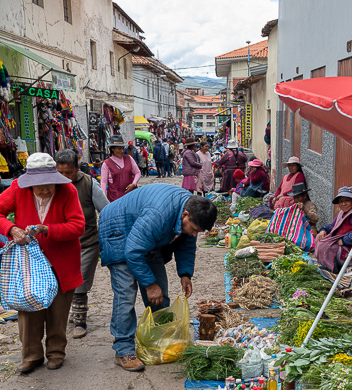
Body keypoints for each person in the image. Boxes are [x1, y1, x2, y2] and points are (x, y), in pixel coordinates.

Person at [98, 187, 217, 371]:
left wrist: (185, 274)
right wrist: (149, 284)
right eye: (194, 229)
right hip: (118, 230)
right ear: (185, 214)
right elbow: (133, 251)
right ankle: (123, 350)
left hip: (144, 237)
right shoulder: (159, 215)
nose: (194, 234)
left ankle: (160, 339)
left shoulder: (191, 213)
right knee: (126, 294)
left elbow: (186, 244)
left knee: (160, 293)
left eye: (198, 232)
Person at [0, 152, 85, 373]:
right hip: (28, 263)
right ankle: (31, 355)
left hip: (62, 261)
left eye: (49, 184)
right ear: (29, 183)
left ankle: (56, 353)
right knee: (28, 309)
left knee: (58, 309)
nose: (45, 190)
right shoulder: (18, 188)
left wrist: (48, 229)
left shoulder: (68, 191)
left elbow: (78, 226)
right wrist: (12, 229)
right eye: (39, 186)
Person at [55, 149, 109, 339]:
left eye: (68, 173)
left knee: (81, 282)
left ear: (77, 169)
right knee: (62, 282)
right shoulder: (51, 185)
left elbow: (106, 210)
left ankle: (80, 321)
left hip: (86, 243)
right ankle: (68, 314)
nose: (64, 177)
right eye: (60, 172)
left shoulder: (89, 183)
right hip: (61, 243)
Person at [315, 186, 352, 273]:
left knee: (327, 248)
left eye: (347, 200)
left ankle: (334, 271)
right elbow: (332, 226)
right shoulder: (343, 212)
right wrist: (323, 230)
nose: (344, 204)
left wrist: (344, 240)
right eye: (341, 201)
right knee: (319, 239)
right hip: (347, 250)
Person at [101, 135, 140, 201]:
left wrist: (134, 184)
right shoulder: (106, 164)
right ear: (113, 149)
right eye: (119, 148)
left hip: (131, 196)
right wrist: (103, 199)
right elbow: (103, 182)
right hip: (115, 199)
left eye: (123, 148)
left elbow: (137, 172)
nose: (122, 151)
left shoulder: (129, 158)